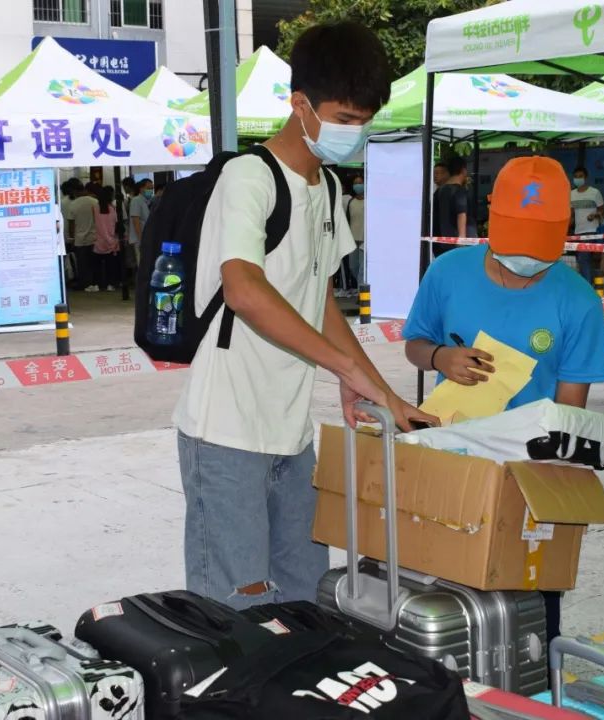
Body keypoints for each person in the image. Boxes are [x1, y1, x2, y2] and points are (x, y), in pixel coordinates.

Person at [173, 21, 435, 610]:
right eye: (344, 118)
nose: (355, 132)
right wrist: (348, 368)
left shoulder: (328, 186)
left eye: (365, 120)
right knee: (236, 610)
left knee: (304, 601)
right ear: (300, 104)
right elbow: (243, 289)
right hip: (225, 433)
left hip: (290, 435)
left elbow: (318, 301)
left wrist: (373, 385)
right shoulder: (250, 176)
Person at [403, 156, 604, 641]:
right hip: (452, 460)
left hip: (530, 475)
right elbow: (415, 343)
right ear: (492, 216)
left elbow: (570, 411)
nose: (526, 260)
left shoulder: (578, 300)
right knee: (446, 600)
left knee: (531, 612)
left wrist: (550, 477)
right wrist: (440, 357)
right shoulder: (448, 272)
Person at [569, 166, 604, 283]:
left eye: (580, 176)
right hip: (577, 232)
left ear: (586, 178)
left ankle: (588, 284)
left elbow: (603, 211)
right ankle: (593, 283)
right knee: (584, 260)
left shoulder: (594, 193)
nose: (578, 179)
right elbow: (571, 215)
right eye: (576, 177)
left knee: (583, 259)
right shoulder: (571, 194)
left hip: (592, 230)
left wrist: (595, 215)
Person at [67, 179, 100, 291]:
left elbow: (71, 224)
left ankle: (84, 284)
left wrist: (72, 238)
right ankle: (95, 283)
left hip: (79, 240)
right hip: (94, 237)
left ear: (74, 191)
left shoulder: (73, 204)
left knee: (82, 264)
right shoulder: (95, 202)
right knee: (94, 263)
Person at [93, 185, 122, 291]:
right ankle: (110, 284)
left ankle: (98, 285)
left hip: (98, 241)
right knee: (111, 265)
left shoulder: (95, 208)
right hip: (111, 240)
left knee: (97, 266)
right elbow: (116, 224)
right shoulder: (112, 208)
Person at [127, 179, 153, 268]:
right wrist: (142, 240)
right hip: (140, 239)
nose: (151, 190)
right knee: (142, 265)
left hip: (146, 238)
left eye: (152, 188)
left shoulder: (146, 201)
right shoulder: (136, 200)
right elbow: (136, 221)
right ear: (141, 188)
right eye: (148, 188)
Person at [346, 174, 365, 289]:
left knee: (363, 269)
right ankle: (361, 288)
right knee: (353, 266)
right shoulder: (351, 202)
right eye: (355, 183)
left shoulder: (369, 201)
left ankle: (361, 292)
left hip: (364, 240)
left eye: (360, 183)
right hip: (352, 240)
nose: (358, 185)